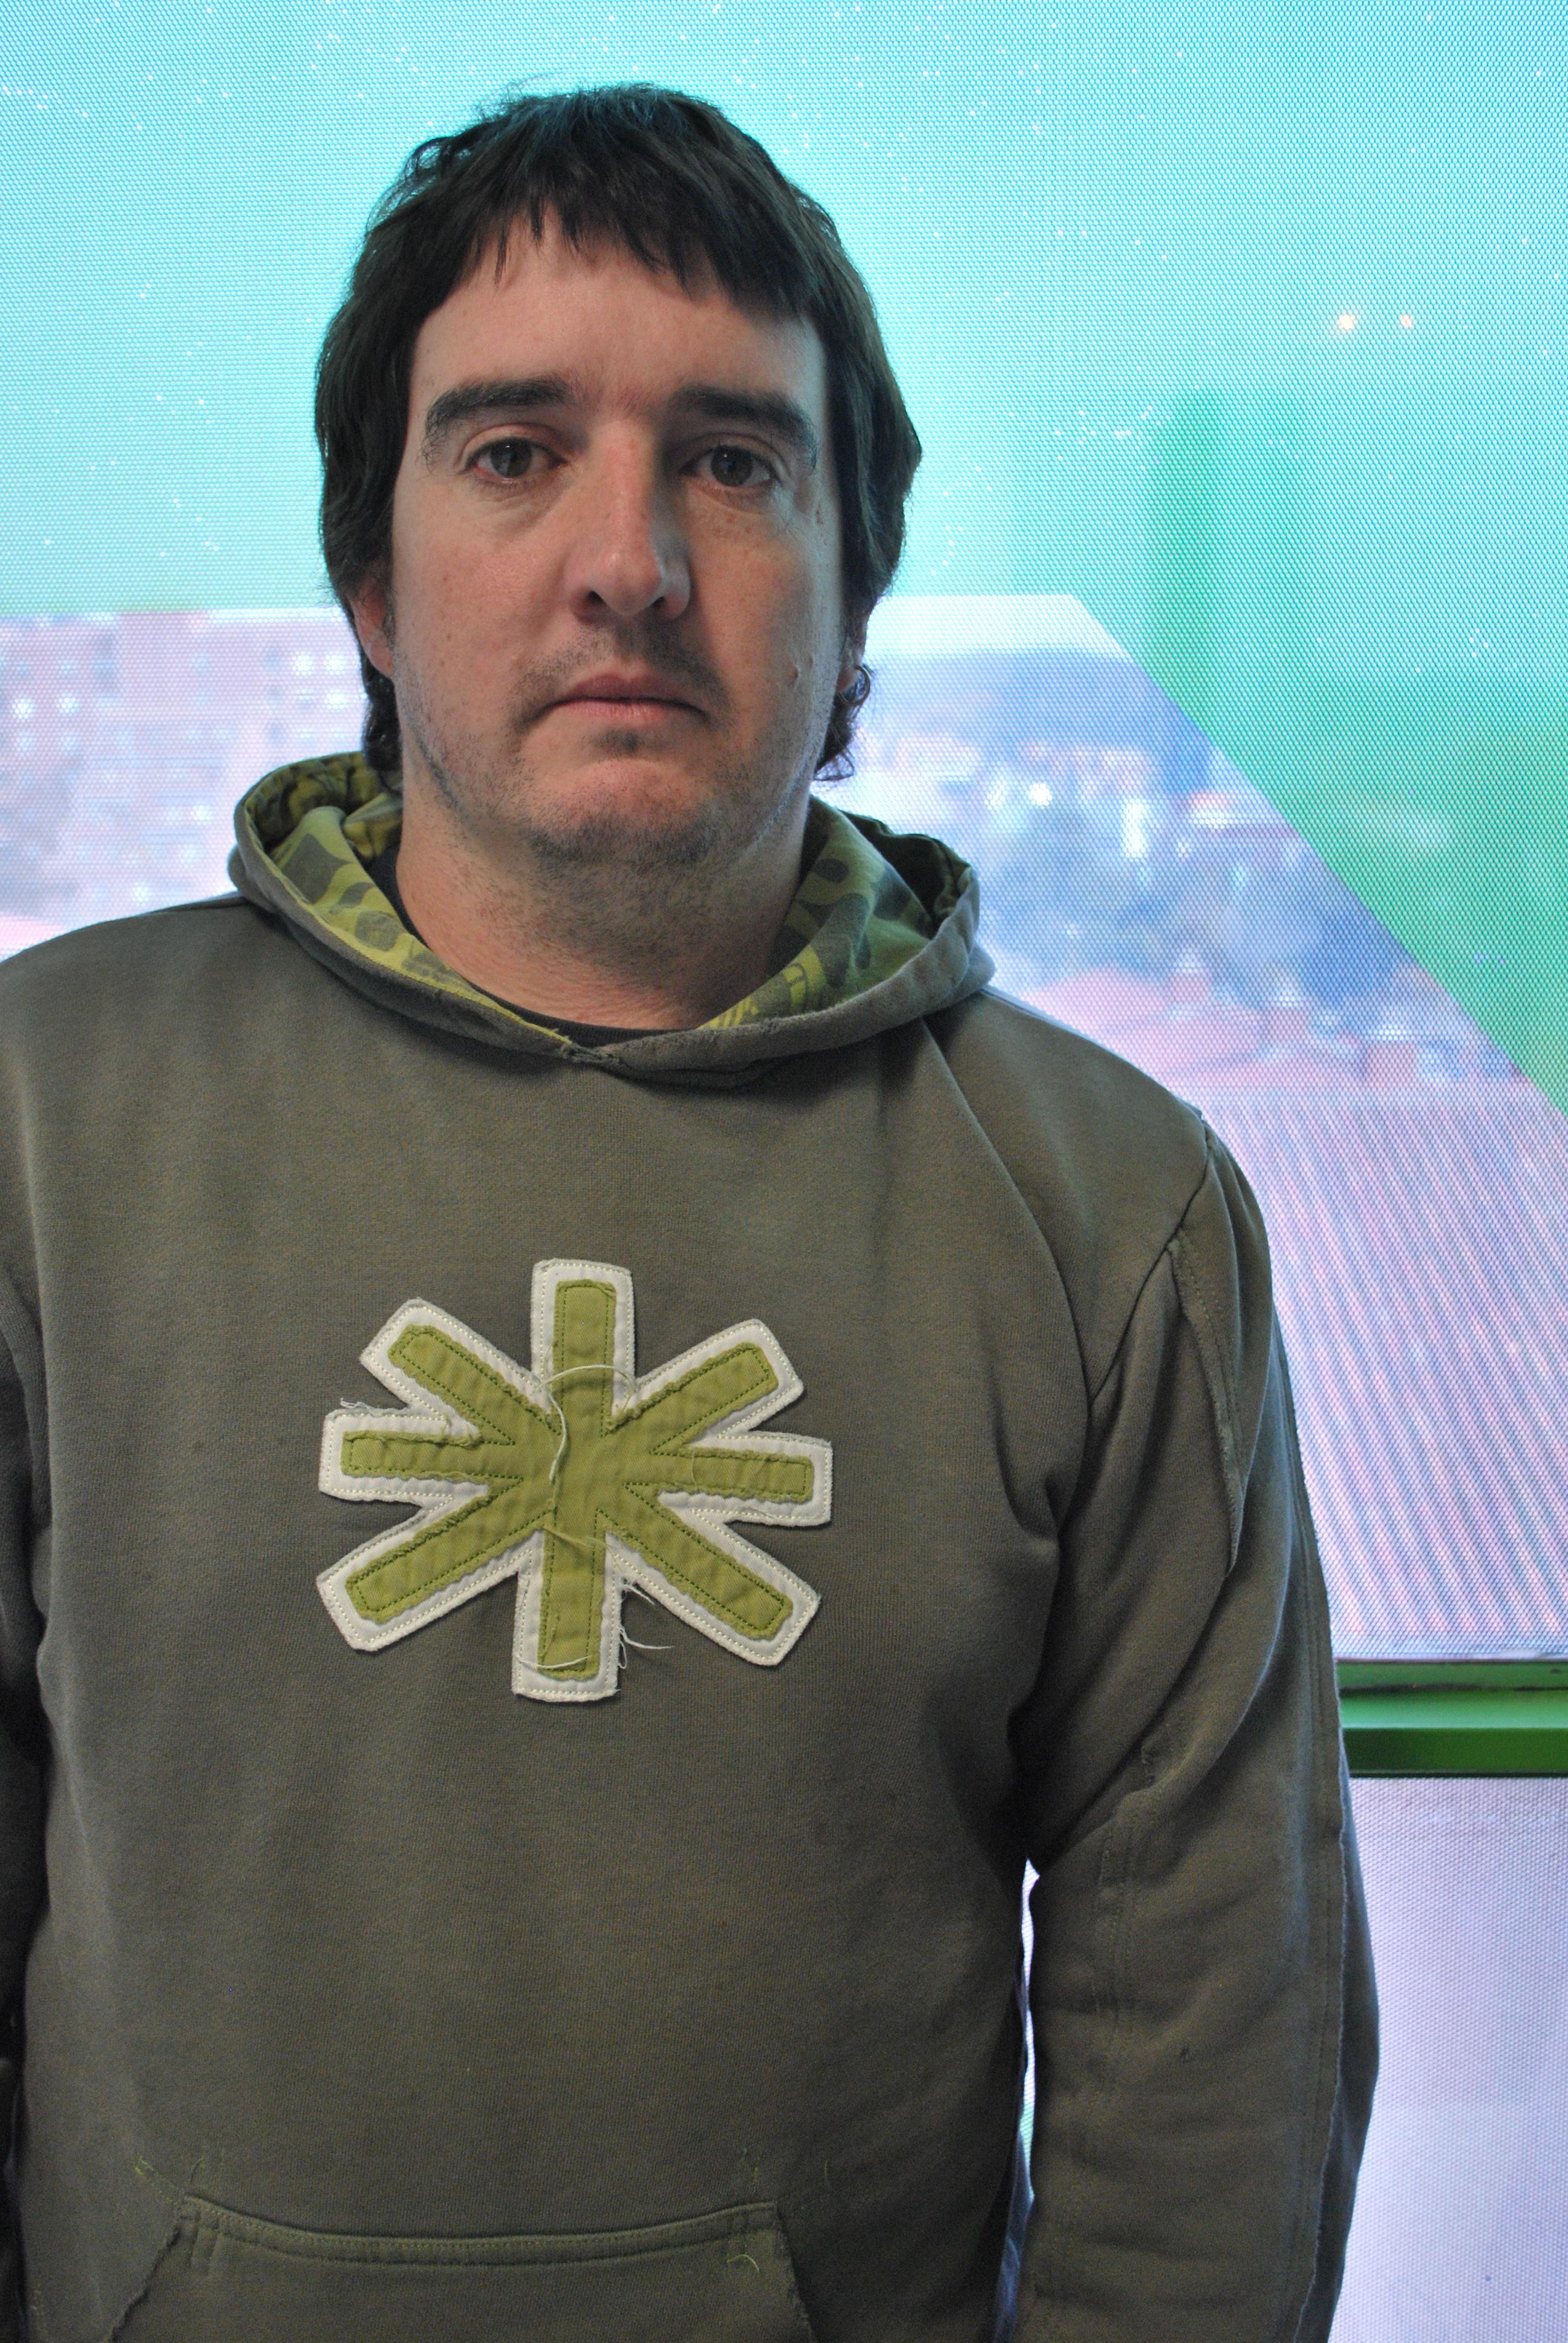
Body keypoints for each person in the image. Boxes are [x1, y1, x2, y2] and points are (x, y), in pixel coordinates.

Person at [0, 84, 1374, 2342]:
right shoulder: (40, 1127)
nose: (627, 560)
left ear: (856, 598)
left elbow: (1216, 2032)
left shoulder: (1115, 1219)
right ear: (371, 582)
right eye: (512, 449)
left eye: (734, 462)